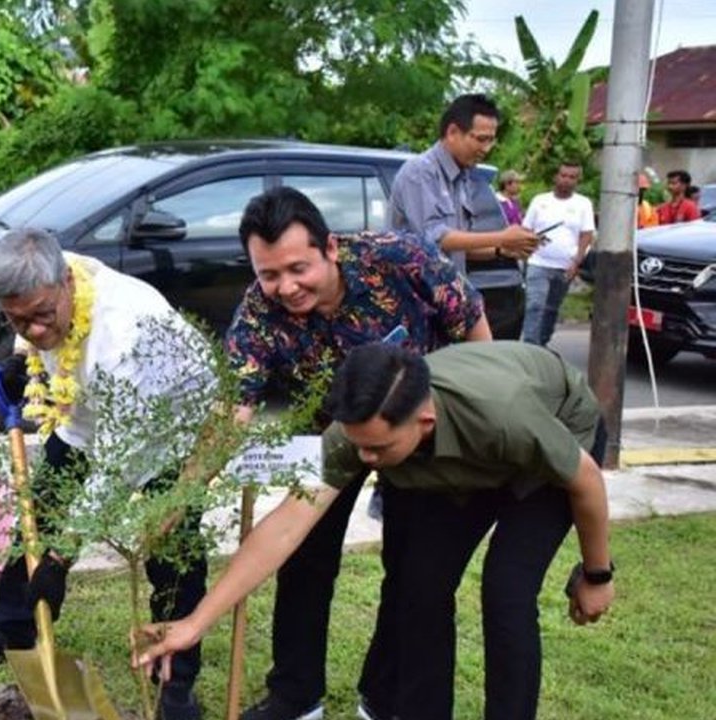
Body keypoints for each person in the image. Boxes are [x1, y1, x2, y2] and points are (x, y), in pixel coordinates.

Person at [135, 341, 615, 720]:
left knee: (506, 591)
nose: (365, 460)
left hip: (556, 435)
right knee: (419, 589)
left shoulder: (504, 416)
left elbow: (587, 481)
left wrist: (596, 575)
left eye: (378, 450)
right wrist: (195, 623)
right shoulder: (355, 435)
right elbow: (285, 526)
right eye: (359, 447)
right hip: (467, 462)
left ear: (423, 422)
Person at [225, 187, 491, 720]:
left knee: (410, 569)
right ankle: (296, 695)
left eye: (298, 269)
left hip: (412, 434)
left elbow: (476, 335)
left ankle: (383, 693)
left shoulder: (401, 259)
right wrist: (198, 479)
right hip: (326, 438)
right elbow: (236, 404)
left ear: (329, 248)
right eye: (269, 274)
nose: (286, 287)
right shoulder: (259, 309)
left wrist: (473, 423)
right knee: (303, 557)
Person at [0, 227, 213, 720]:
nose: (34, 330)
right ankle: (15, 628)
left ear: (67, 284)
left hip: (172, 424)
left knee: (171, 547)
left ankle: (175, 676)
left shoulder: (125, 334)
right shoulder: (45, 271)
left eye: (42, 316)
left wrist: (61, 557)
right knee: (40, 509)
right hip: (87, 413)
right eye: (17, 320)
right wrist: (23, 357)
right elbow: (33, 325)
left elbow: (117, 466)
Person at [389, 93, 540, 340]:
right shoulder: (420, 173)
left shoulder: (463, 178)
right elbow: (434, 239)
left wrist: (502, 250)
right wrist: (502, 237)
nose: (486, 148)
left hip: (450, 302)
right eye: (480, 139)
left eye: (491, 140)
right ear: (452, 132)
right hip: (417, 305)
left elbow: (456, 248)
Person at [520, 162, 596, 347]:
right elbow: (526, 229)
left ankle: (542, 344)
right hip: (538, 262)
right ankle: (529, 347)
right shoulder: (540, 201)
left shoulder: (583, 204)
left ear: (577, 180)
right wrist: (531, 243)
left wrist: (576, 262)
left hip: (565, 267)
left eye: (572, 177)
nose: (567, 180)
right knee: (534, 305)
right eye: (563, 175)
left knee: (551, 309)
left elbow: (587, 234)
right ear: (556, 176)